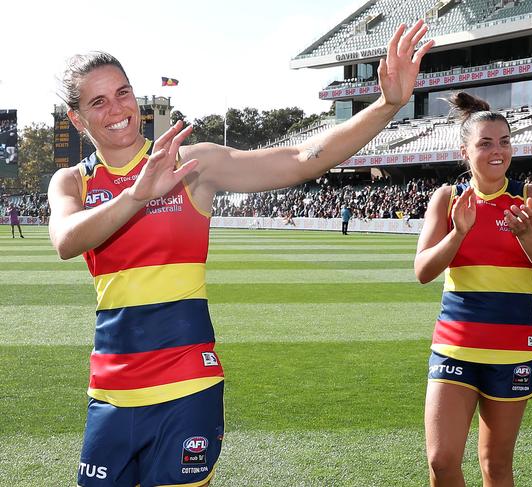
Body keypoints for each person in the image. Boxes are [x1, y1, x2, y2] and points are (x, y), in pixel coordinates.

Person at [47, 21, 433, 487]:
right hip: (110, 390)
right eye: (98, 102)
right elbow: (67, 239)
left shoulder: (193, 166)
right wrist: (136, 195)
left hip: (187, 385)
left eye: (123, 93)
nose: (117, 109)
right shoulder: (73, 182)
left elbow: (302, 157)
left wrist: (387, 104)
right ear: (77, 118)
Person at [414, 92, 532, 487]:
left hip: (511, 348)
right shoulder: (447, 199)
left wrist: (526, 233)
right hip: (455, 344)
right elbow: (423, 271)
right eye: (485, 143)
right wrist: (459, 233)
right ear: (465, 151)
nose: (497, 151)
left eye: (504, 141)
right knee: (441, 461)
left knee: (495, 466)